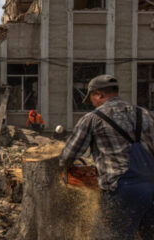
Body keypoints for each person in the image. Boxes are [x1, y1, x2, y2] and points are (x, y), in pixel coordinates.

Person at [59, 74, 154, 240]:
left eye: (92, 99)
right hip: (150, 187)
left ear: (99, 95)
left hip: (121, 190)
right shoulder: (144, 114)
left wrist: (63, 167)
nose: (93, 104)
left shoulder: (93, 118)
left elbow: (68, 155)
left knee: (108, 235)